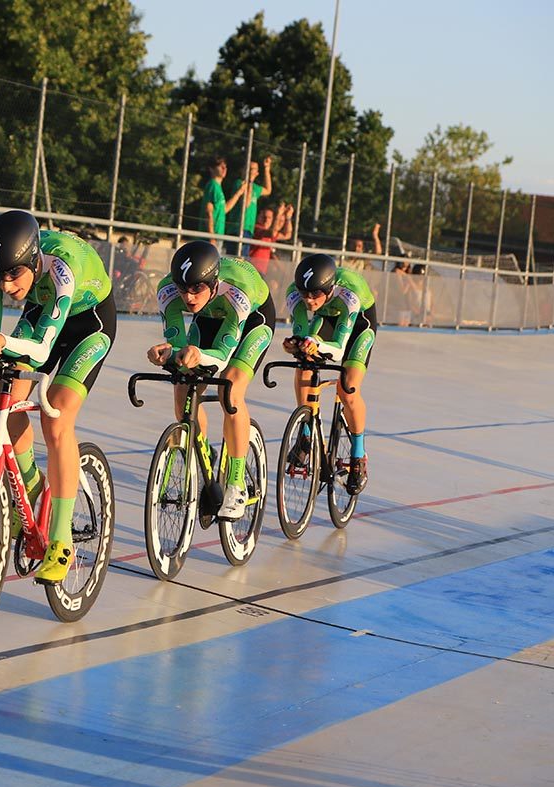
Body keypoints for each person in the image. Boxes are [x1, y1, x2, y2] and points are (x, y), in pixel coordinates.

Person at [0, 210, 116, 583]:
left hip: (89, 322)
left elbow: (40, 350)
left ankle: (61, 538)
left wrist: (3, 341)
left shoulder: (60, 269)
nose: (5, 286)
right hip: (43, 310)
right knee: (4, 392)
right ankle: (33, 483)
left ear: (34, 260)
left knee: (56, 415)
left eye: (13, 275)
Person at [146, 241, 276, 521]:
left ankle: (237, 483)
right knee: (183, 386)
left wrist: (197, 354)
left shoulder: (237, 292)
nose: (189, 297)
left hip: (252, 320)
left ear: (213, 284)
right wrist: (169, 352)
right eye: (183, 290)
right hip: (209, 319)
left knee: (231, 388)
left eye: (197, 289)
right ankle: (204, 449)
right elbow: (178, 343)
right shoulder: (168, 290)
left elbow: (221, 356)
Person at [283, 253, 379, 494]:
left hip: (358, 325)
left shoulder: (350, 294)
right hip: (327, 318)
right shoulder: (295, 294)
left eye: (315, 294)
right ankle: (306, 433)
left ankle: (358, 455)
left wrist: (317, 345)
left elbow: (337, 349)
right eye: (305, 293)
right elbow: (302, 330)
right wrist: (298, 344)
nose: (309, 300)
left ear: (330, 288)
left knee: (348, 389)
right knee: (304, 359)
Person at [200, 157, 243, 251]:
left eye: (225, 167)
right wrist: (211, 236)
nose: (224, 169)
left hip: (218, 234)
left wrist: (238, 193)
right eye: (220, 166)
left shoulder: (219, 188)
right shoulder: (212, 185)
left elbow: (224, 209)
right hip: (212, 236)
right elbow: (209, 211)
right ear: (211, 169)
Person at [233, 156, 272, 256]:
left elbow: (268, 190)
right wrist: (249, 182)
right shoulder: (240, 183)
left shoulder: (255, 188)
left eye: (253, 169)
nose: (251, 171)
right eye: (249, 169)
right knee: (237, 259)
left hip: (249, 229)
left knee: (244, 259)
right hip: (239, 227)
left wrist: (267, 169)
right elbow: (246, 204)